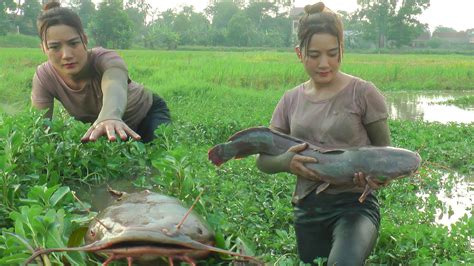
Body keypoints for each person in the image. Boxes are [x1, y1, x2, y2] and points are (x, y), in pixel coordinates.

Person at [256, 2, 391, 265]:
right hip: (308, 209)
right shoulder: (290, 100)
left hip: (355, 206)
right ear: (299, 53)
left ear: (343, 48)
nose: (324, 63)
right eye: (314, 54)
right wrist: (287, 163)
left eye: (332, 53)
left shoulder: (363, 93)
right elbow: (263, 161)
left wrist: (377, 178)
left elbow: (385, 158)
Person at [32, 2, 170, 143]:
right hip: (106, 129)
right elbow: (40, 126)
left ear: (85, 40)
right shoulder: (44, 77)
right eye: (55, 47)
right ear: (43, 48)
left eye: (73, 43)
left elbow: (114, 82)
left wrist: (110, 115)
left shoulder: (104, 58)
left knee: (161, 152)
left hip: (146, 114)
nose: (66, 55)